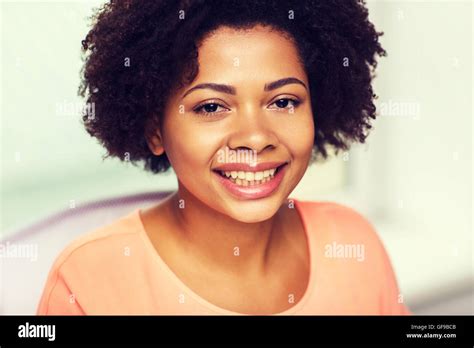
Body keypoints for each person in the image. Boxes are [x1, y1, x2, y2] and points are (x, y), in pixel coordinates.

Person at [37, 0, 410, 315]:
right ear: (155, 131)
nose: (255, 137)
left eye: (283, 101)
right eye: (212, 106)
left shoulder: (352, 243)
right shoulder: (87, 282)